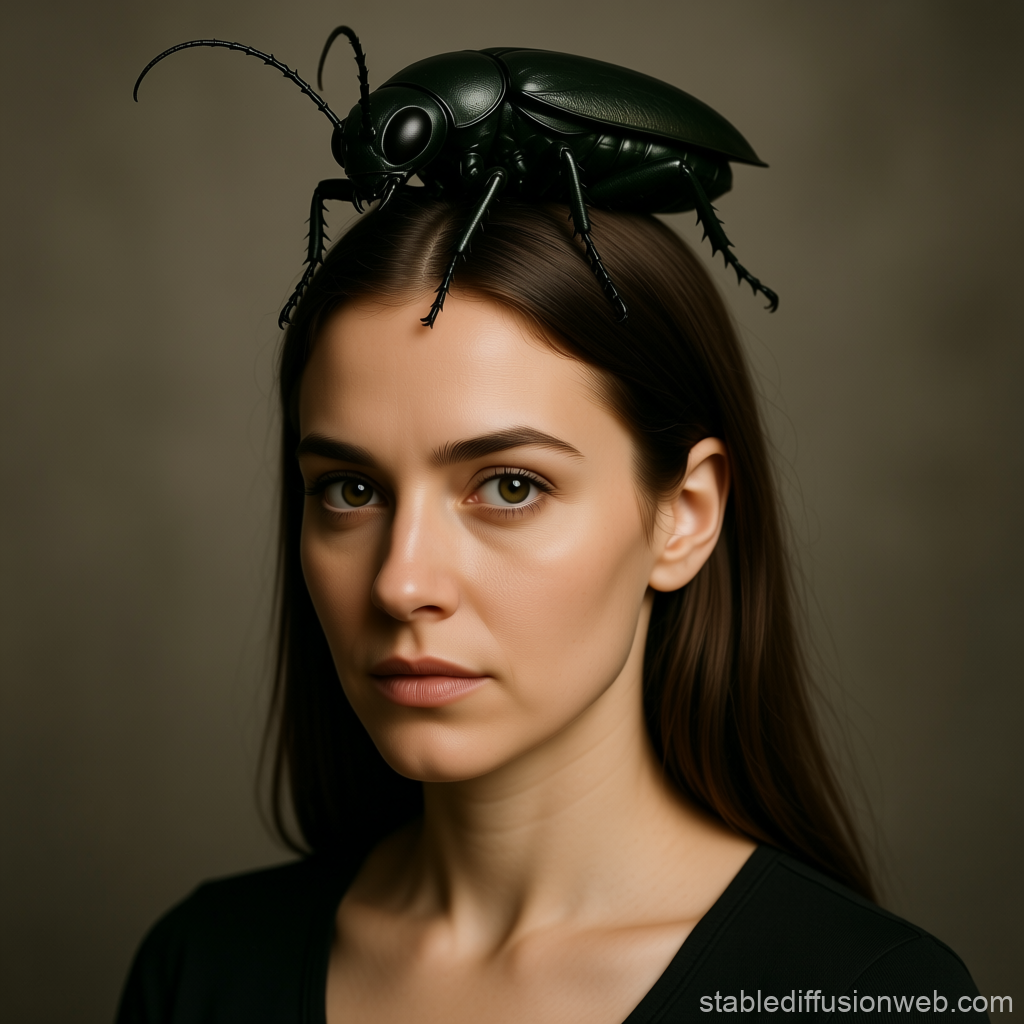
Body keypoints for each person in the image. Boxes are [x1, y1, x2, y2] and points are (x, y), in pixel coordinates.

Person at [115, 196, 985, 1023]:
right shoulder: (203, 972)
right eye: (350, 489)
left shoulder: (866, 997)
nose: (401, 582)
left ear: (683, 517)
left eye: (511, 485)